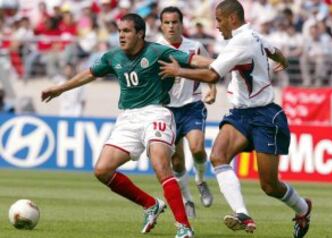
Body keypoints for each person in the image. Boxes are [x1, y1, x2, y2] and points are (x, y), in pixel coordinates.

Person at [40, 13, 212, 238]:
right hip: (128, 118)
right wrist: (60, 88)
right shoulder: (113, 56)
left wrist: (225, 63)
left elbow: (195, 60)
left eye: (127, 31)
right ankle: (151, 204)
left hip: (157, 112)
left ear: (140, 33)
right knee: (102, 170)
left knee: (161, 164)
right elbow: (90, 74)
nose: (121, 35)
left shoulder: (157, 51)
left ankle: (184, 227)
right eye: (120, 31)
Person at [159, 1, 312, 238]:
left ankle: (303, 208)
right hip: (240, 114)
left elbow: (211, 73)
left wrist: (178, 71)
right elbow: (274, 50)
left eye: (219, 20)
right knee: (218, 156)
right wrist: (283, 61)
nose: (217, 25)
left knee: (269, 186)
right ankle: (242, 214)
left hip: (265, 116)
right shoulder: (252, 37)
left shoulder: (242, 42)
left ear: (232, 18)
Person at [158, 6, 215, 218]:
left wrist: (212, 88)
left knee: (198, 148)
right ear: (161, 25)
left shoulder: (196, 47)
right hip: (166, 109)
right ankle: (187, 199)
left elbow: (212, 70)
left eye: (175, 22)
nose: (171, 26)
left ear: (182, 24)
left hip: (192, 105)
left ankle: (200, 180)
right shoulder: (155, 47)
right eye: (167, 22)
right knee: (177, 162)